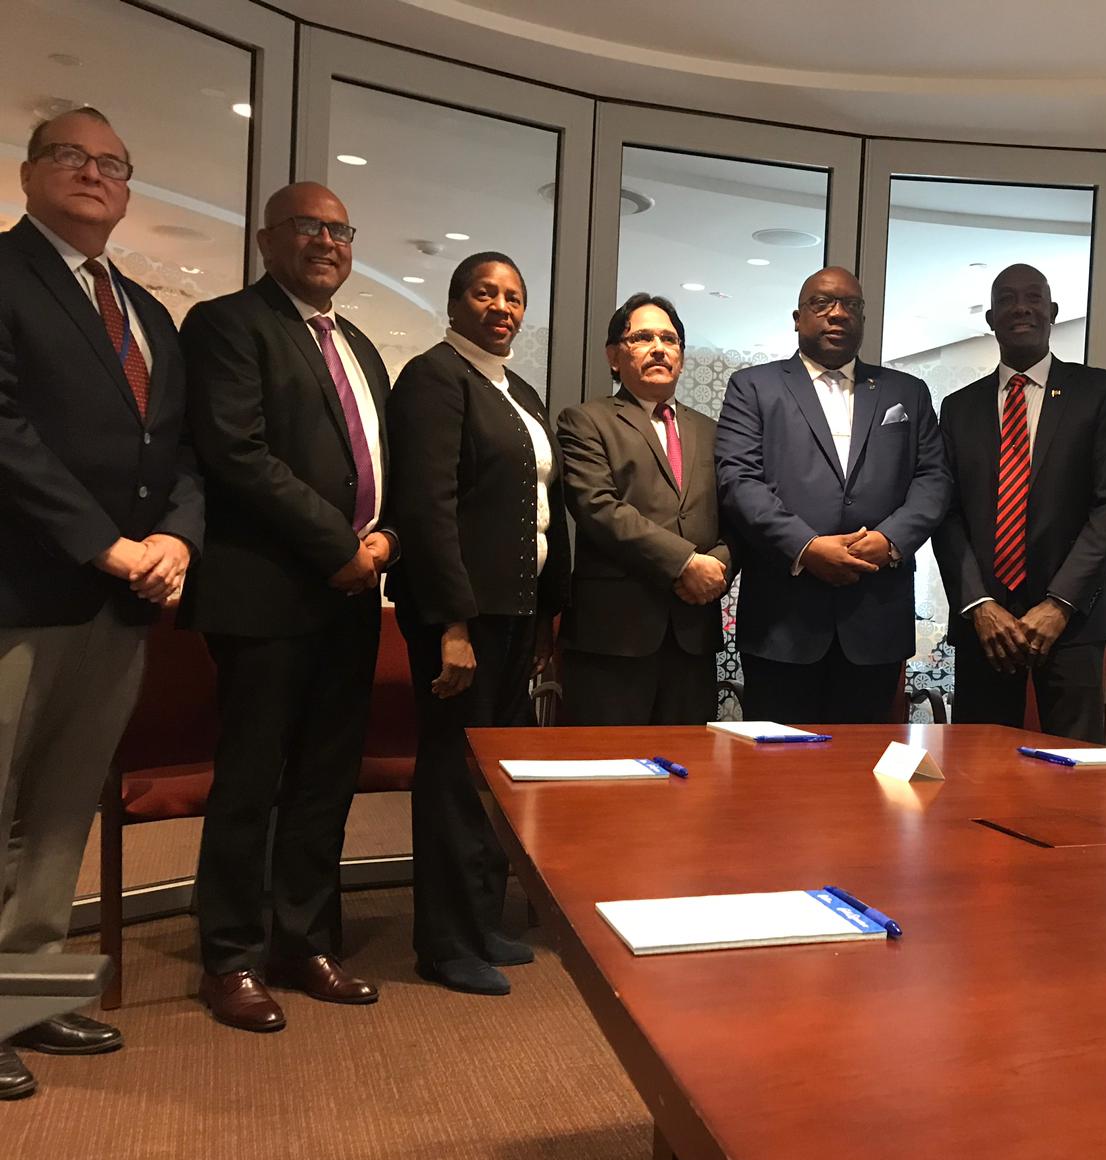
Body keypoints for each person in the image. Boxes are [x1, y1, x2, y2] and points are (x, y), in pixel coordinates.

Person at [0, 107, 202, 1099]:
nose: (93, 174)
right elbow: (4, 431)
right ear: (29, 173)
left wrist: (176, 538)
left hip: (119, 605)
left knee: (58, 813)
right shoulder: (4, 276)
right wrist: (103, 542)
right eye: (72, 157)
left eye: (112, 164)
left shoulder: (147, 312)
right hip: (20, 594)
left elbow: (183, 450)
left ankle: (23, 998)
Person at [182, 182, 396, 1031]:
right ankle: (230, 956)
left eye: (341, 230)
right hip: (266, 595)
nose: (327, 242)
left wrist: (386, 540)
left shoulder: (361, 346)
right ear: (268, 240)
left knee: (324, 779)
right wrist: (339, 546)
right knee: (251, 781)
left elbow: (383, 464)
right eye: (309, 227)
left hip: (352, 597)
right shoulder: (227, 325)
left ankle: (304, 943)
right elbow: (237, 453)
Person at [385, 251, 569, 995]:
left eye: (514, 297)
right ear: (456, 303)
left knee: (494, 776)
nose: (502, 307)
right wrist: (452, 624)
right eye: (486, 294)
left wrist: (548, 614)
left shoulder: (517, 389)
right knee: (452, 776)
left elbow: (542, 507)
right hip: (463, 617)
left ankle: (483, 921)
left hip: (516, 611)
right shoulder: (433, 378)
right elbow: (426, 507)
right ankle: (445, 942)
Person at [715, 267, 951, 723]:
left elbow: (934, 479)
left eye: (851, 305)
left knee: (865, 760)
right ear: (797, 318)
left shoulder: (908, 392)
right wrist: (806, 547)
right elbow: (738, 479)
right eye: (822, 303)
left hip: (876, 617)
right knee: (777, 760)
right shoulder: (754, 387)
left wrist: (891, 541)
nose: (838, 313)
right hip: (782, 620)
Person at [933, 264, 1106, 740]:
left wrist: (1059, 604)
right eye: (1006, 299)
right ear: (990, 318)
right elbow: (945, 513)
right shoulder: (958, 408)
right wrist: (979, 604)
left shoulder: (1098, 391)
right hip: (985, 625)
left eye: (1033, 297)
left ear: (1053, 311)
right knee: (980, 764)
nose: (1020, 307)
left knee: (1074, 768)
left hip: (1073, 621)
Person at [557, 294, 731, 725]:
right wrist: (685, 562)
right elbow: (598, 508)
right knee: (608, 763)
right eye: (642, 338)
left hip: (693, 633)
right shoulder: (584, 421)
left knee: (689, 763)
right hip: (614, 636)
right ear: (614, 357)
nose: (658, 348)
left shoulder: (711, 431)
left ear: (682, 359)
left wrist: (719, 566)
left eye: (669, 340)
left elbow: (737, 514)